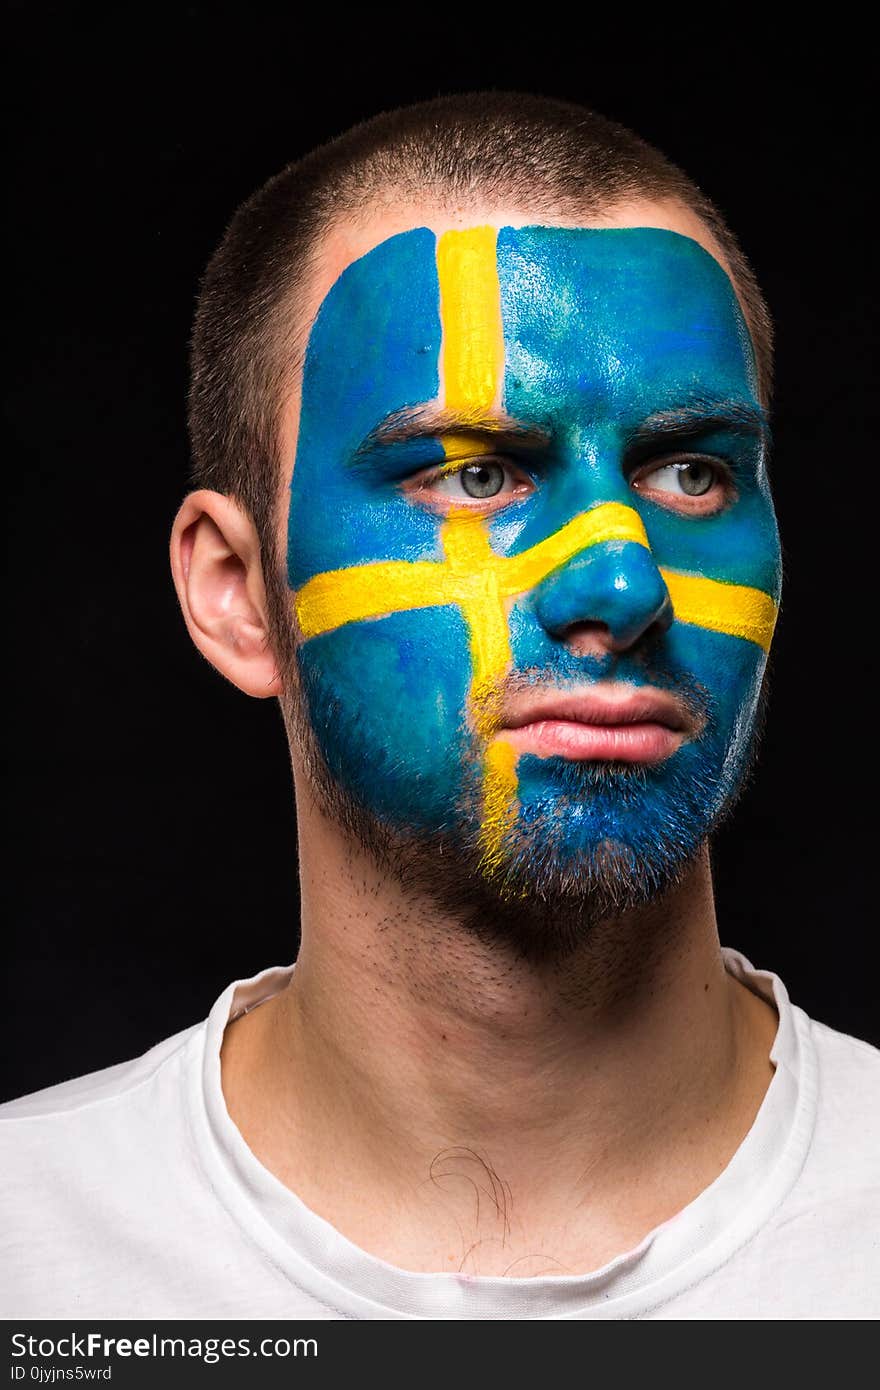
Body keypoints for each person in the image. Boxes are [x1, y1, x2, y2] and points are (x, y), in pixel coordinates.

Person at [2, 92, 877, 1322]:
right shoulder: (26, 1249)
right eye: (473, 473)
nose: (622, 584)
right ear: (238, 594)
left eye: (692, 473)